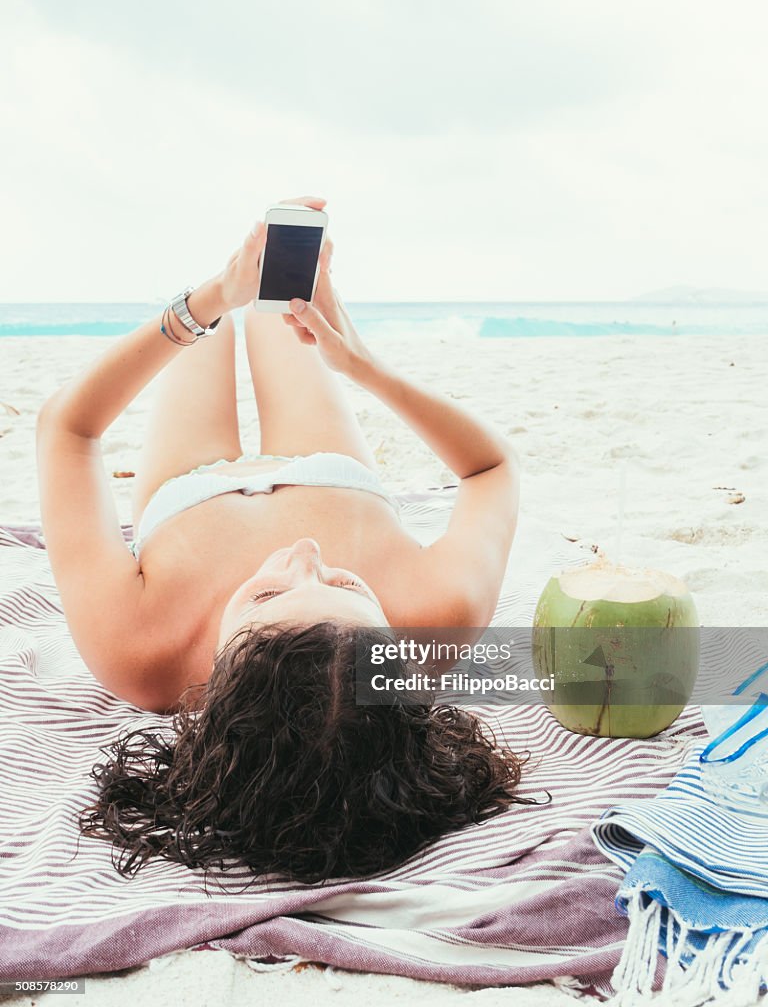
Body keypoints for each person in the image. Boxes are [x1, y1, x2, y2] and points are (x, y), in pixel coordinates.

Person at [38, 196, 528, 883]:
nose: (306, 555)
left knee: (208, 326)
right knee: (285, 305)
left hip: (191, 488)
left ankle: (223, 277)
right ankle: (265, 262)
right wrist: (361, 365)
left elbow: (68, 431)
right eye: (346, 586)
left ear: (213, 696)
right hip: (330, 467)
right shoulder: (436, 622)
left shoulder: (138, 653)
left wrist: (207, 302)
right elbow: (492, 471)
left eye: (266, 593)